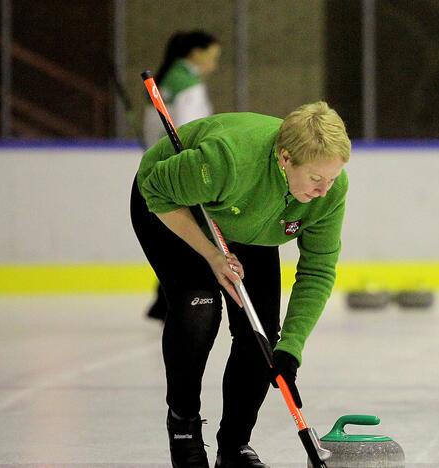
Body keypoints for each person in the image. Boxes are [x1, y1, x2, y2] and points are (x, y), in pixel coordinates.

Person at [130, 102, 351, 467]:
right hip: (174, 206)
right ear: (285, 158)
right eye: (316, 179)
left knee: (260, 333)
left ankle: (234, 446)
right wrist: (211, 255)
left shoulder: (331, 191)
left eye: (332, 178)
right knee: (198, 305)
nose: (325, 190)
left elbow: (319, 268)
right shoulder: (228, 160)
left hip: (248, 222)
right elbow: (155, 191)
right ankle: (183, 426)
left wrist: (290, 350)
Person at [142, 30, 221, 321]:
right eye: (213, 57)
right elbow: (189, 130)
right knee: (185, 235)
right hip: (181, 170)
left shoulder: (169, 78)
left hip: (161, 165)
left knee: (174, 233)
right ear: (196, 54)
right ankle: (170, 300)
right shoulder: (186, 83)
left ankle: (162, 300)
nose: (214, 64)